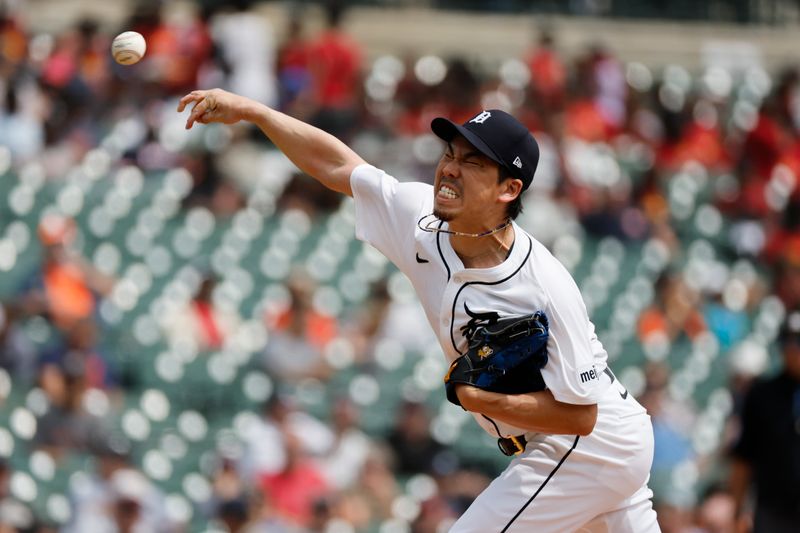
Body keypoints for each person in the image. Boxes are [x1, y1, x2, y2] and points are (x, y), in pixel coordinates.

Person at [177, 88, 660, 532]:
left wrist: (484, 401)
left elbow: (582, 418)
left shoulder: (545, 286)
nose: (449, 167)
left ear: (508, 189)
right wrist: (256, 112)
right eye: (450, 152)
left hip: (590, 448)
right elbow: (337, 166)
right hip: (585, 449)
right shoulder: (420, 216)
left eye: (472, 162)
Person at [728, 311, 800, 533]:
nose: (795, 348)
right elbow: (744, 457)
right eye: (790, 340)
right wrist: (738, 512)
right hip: (773, 513)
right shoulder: (762, 395)